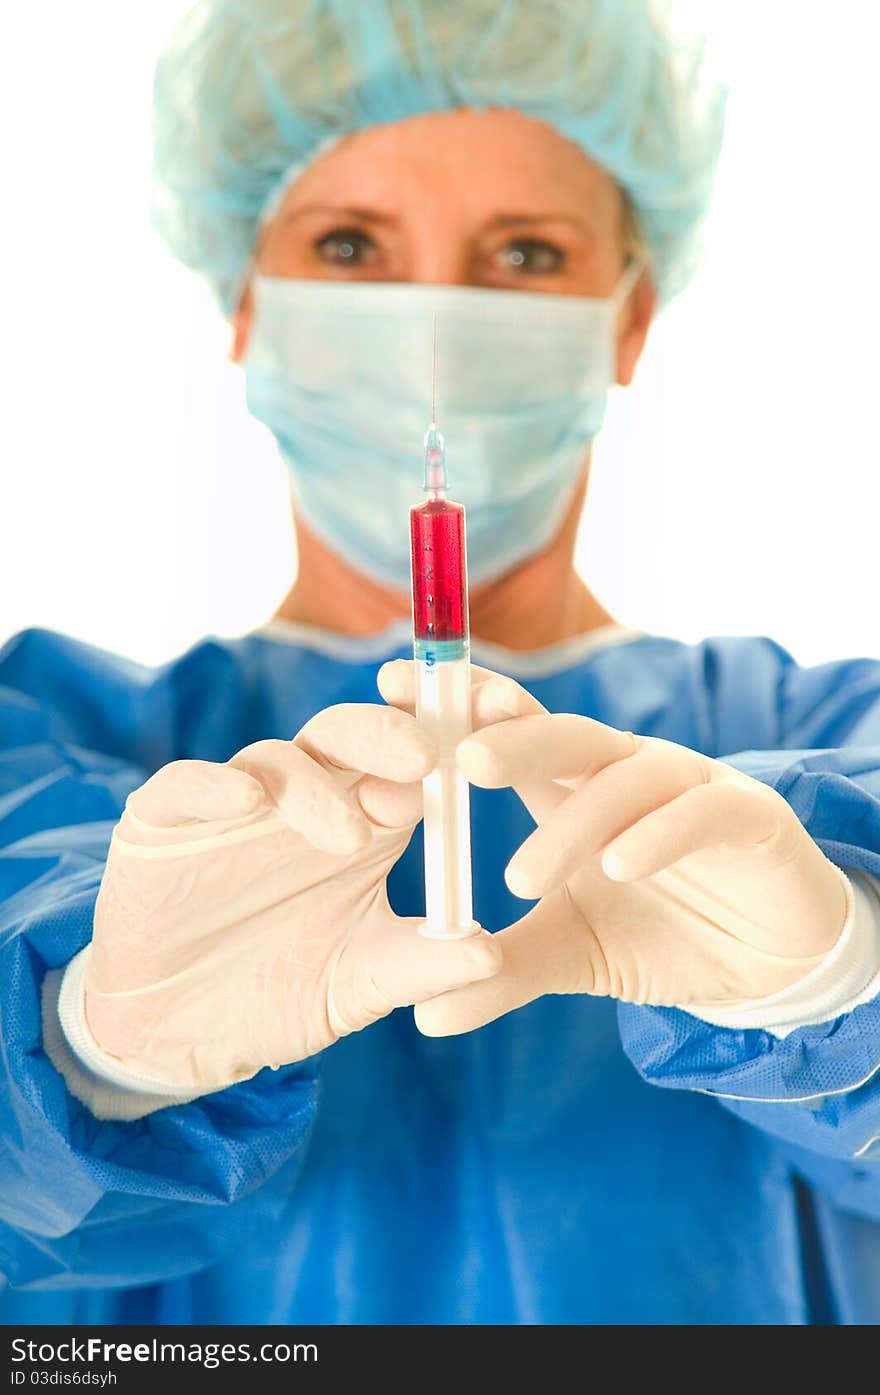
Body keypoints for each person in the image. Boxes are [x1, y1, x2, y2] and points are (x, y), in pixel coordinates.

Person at [1, 0, 879, 1326]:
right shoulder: (49, 741)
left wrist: (842, 984)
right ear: (244, 305)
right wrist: (89, 1048)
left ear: (629, 319)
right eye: (347, 246)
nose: (433, 327)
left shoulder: (821, 741)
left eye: (525, 252)